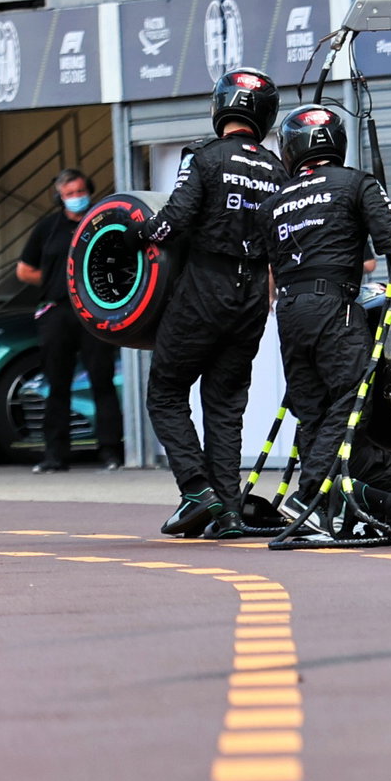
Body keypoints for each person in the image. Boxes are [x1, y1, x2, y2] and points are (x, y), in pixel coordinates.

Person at [261, 104, 391, 538]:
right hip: (336, 307)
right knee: (355, 398)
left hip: (289, 313)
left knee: (313, 414)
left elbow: (270, 272)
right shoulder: (356, 182)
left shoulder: (274, 202)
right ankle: (310, 495)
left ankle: (325, 512)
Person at [138, 69, 286, 539]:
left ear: (221, 106)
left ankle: (197, 489)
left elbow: (175, 218)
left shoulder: (202, 157)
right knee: (224, 405)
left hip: (205, 286)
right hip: (252, 300)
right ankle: (227, 511)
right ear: (265, 116)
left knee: (164, 389)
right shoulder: (278, 168)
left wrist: (139, 232)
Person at [16, 169, 122, 473]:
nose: (76, 198)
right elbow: (24, 270)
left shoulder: (104, 221)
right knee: (57, 383)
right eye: (69, 194)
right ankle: (55, 454)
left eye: (79, 192)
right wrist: (59, 281)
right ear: (59, 198)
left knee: (101, 379)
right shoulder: (48, 228)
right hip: (57, 312)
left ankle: (111, 451)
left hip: (94, 310)